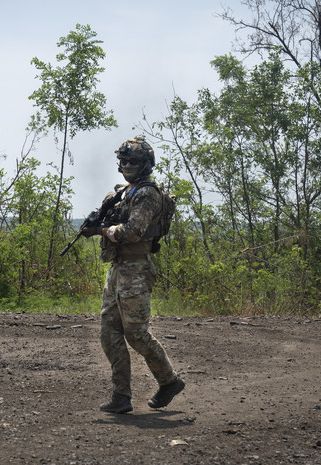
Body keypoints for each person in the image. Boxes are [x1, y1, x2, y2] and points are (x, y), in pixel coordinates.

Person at [87, 136, 185, 414]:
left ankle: (170, 381)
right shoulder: (124, 192)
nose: (127, 164)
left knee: (137, 334)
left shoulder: (146, 194)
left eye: (134, 161)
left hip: (137, 269)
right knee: (109, 331)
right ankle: (121, 395)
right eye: (124, 160)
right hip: (118, 269)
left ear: (145, 164)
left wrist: (103, 231)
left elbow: (132, 232)